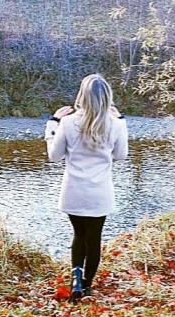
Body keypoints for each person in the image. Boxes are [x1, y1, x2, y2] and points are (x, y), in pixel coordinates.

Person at [45, 74, 129, 302]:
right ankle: (87, 286)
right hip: (100, 194)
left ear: (82, 95)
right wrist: (121, 119)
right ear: (107, 97)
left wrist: (52, 123)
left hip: (73, 192)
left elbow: (54, 156)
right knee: (94, 239)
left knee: (78, 235)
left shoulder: (68, 122)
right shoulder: (116, 124)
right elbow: (121, 155)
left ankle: (76, 282)